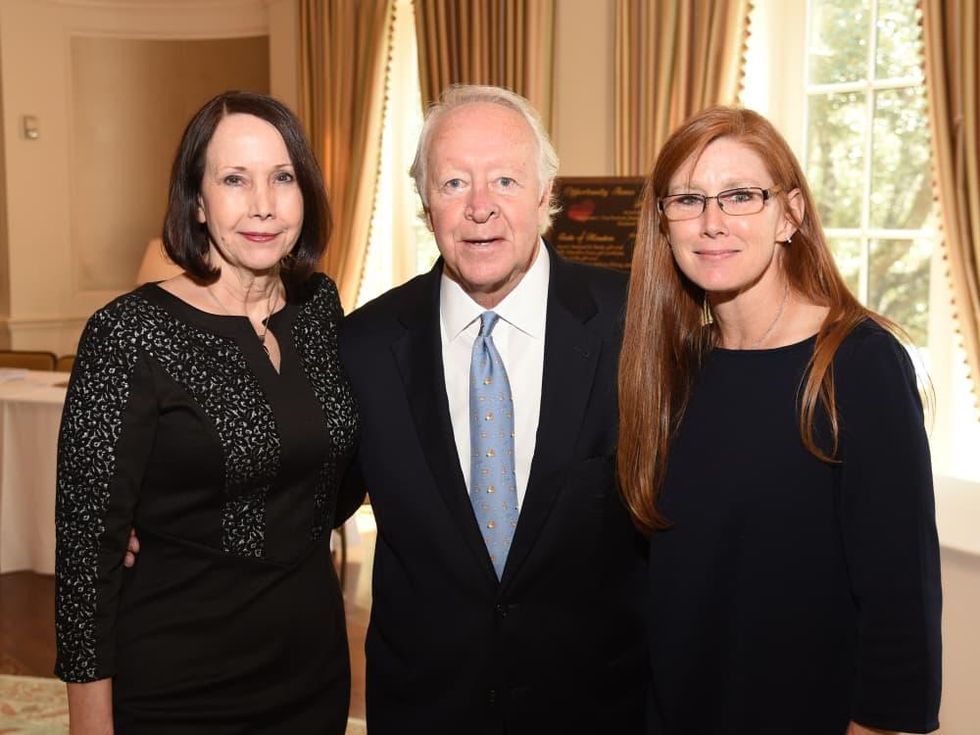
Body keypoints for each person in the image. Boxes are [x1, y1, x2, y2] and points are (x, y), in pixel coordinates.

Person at [617, 106, 942, 734]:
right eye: (687, 199)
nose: (712, 223)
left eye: (740, 195)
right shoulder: (667, 368)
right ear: (663, 221)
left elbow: (900, 596)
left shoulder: (858, 363)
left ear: (788, 214)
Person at [338, 84, 648, 733]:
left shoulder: (633, 326)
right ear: (426, 202)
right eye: (454, 183)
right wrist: (174, 516)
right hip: (425, 706)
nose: (480, 207)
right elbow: (306, 496)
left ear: (544, 193)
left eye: (505, 179)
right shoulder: (364, 344)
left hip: (595, 708)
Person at [55, 90, 357, 733]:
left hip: (311, 666)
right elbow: (87, 551)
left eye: (282, 178)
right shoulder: (128, 333)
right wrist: (89, 719)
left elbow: (333, 476)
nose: (263, 205)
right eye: (234, 180)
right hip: (179, 680)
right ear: (196, 200)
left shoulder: (319, 309)